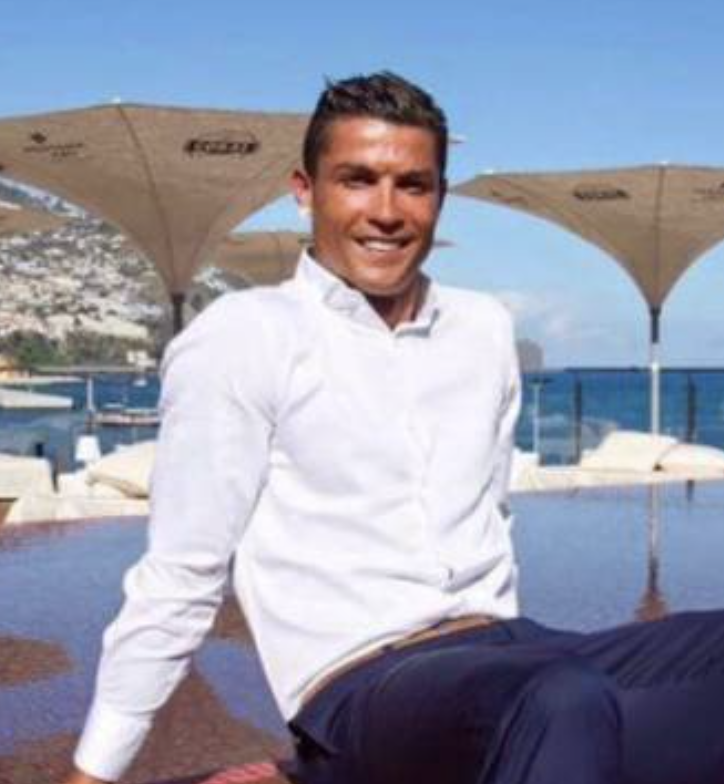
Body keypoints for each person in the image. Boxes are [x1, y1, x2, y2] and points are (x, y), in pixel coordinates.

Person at [66, 72, 724, 784]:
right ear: (305, 190)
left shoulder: (482, 328)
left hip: (512, 655)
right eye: (357, 180)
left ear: (439, 196)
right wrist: (96, 769)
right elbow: (181, 572)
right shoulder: (247, 335)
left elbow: (491, 517)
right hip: (361, 686)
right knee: (559, 703)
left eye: (412, 185)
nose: (386, 211)